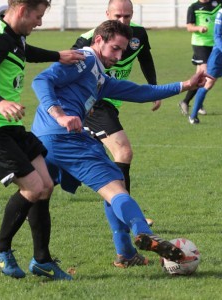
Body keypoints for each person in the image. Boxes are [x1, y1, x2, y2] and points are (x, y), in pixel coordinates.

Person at [31, 20, 210, 270]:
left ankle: (6, 249)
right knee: (116, 187)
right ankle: (143, 232)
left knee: (33, 195)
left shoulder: (100, 77)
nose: (118, 56)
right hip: (66, 137)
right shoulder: (86, 59)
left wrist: (186, 85)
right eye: (114, 48)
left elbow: (140, 92)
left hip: (41, 139)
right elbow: (41, 80)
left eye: (122, 51)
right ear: (98, 40)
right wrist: (59, 114)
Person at [0, 0, 84, 280]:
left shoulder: (14, 35)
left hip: (10, 127)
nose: (39, 23)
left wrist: (57, 55)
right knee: (32, 188)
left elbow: (24, 52)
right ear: (20, 10)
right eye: (38, 16)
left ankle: (42, 260)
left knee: (45, 186)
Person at [71, 0, 157, 268]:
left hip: (111, 103)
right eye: (118, 15)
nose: (123, 20)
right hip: (93, 104)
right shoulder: (87, 40)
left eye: (128, 15)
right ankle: (128, 215)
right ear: (106, 15)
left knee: (50, 178)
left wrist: (153, 88)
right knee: (123, 151)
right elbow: (69, 69)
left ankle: (124, 224)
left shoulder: (138, 34)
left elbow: (145, 56)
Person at [178, 0, 222, 116]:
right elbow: (189, 27)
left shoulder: (220, 3)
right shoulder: (194, 7)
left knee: (203, 76)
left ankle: (195, 103)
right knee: (206, 74)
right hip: (200, 44)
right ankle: (186, 102)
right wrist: (198, 28)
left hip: (216, 44)